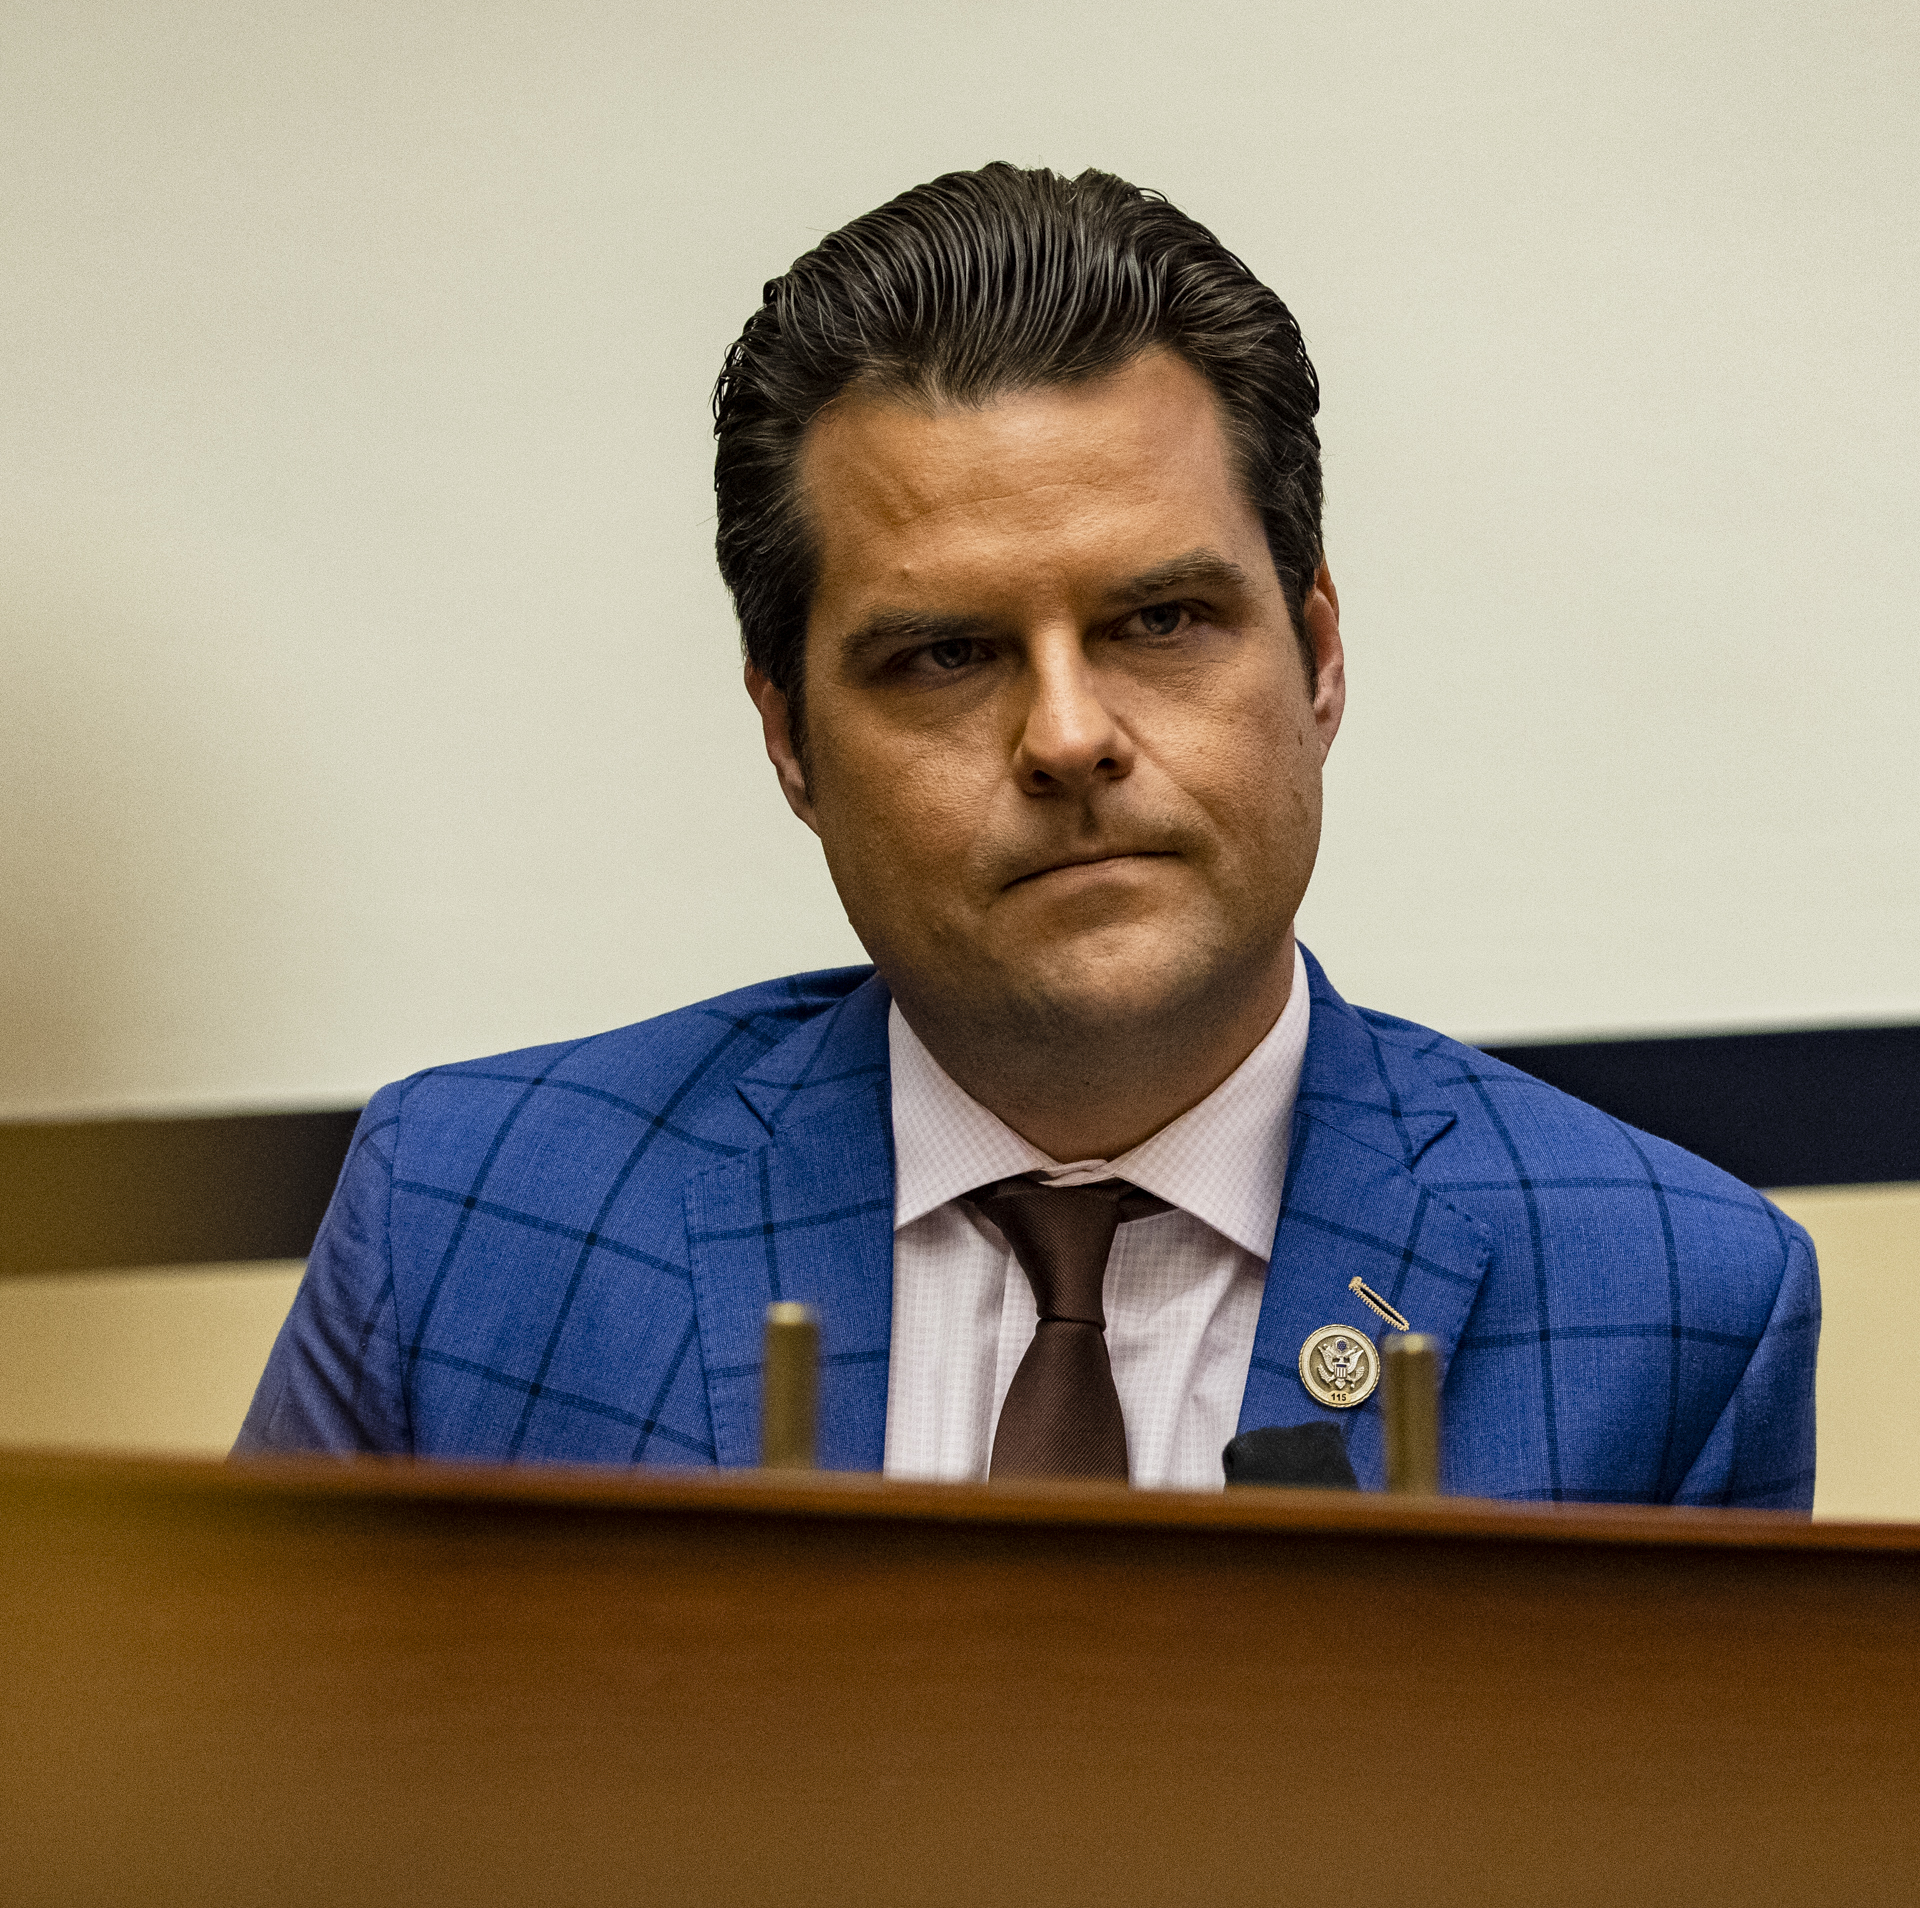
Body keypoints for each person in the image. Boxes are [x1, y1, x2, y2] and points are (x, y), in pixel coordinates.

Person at [239, 164, 1816, 1506]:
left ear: (1320, 654)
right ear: (788, 734)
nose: (1070, 736)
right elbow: (242, 1853)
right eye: (946, 655)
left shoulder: (1669, 1301)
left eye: (1162, 619)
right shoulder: (470, 1229)